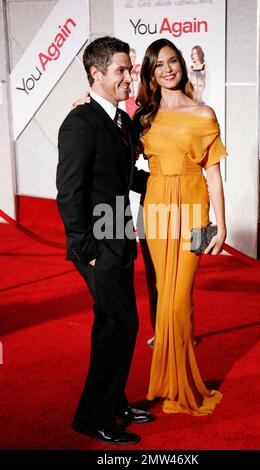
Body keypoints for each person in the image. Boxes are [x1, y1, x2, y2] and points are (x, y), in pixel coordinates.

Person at [56, 36, 154, 446]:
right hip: (97, 242)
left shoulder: (121, 120)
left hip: (116, 231)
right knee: (119, 323)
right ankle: (93, 416)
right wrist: (86, 249)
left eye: (130, 70)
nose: (129, 77)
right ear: (96, 73)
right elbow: (69, 190)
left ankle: (113, 403)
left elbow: (122, 176)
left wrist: (170, 185)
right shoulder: (80, 122)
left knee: (117, 324)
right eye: (121, 70)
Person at [133, 38, 227, 416]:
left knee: (178, 299)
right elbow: (113, 142)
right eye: (159, 65)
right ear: (151, 74)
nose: (169, 69)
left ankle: (184, 383)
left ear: (183, 67)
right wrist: (84, 104)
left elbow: (215, 175)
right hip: (155, 208)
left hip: (194, 208)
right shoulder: (145, 116)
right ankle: (167, 382)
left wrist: (220, 225)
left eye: (173, 61)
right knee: (162, 291)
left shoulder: (203, 114)